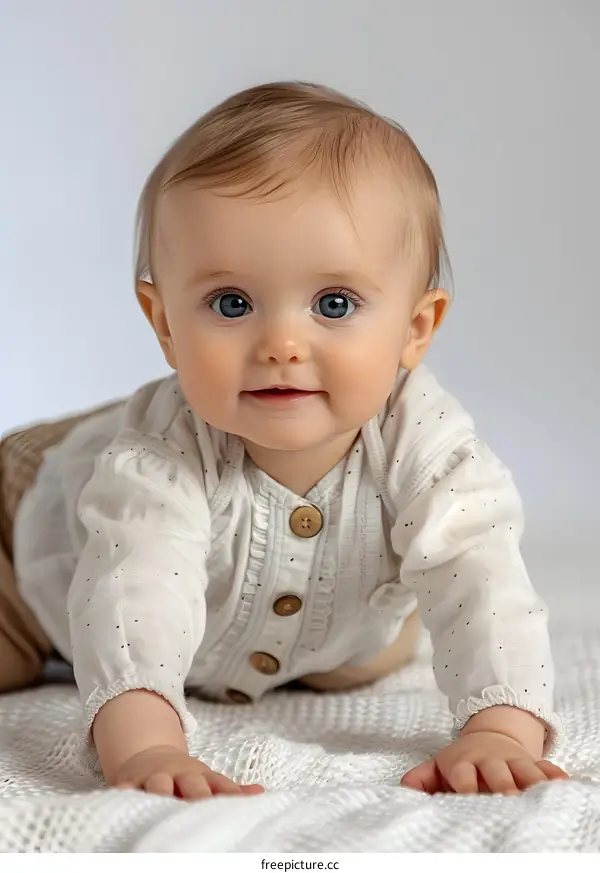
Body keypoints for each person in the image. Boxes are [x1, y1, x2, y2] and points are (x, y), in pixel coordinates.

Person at [3, 81, 568, 799]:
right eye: (231, 303)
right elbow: (132, 588)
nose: (281, 344)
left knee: (379, 640)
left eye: (335, 303)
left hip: (323, 630)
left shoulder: (428, 447)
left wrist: (499, 728)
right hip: (30, 531)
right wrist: (144, 746)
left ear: (415, 329)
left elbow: (483, 581)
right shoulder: (157, 456)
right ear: (165, 323)